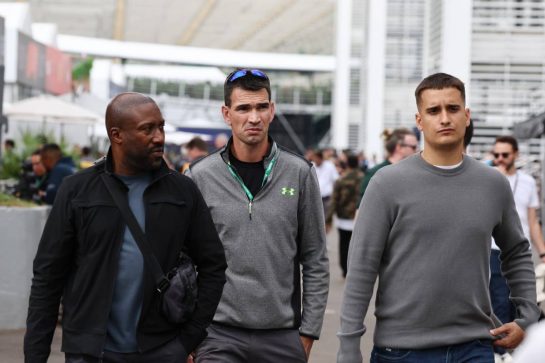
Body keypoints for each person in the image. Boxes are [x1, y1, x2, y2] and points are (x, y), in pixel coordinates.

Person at [337, 73, 540, 363]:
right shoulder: (387, 184)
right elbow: (362, 268)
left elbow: (517, 251)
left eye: (453, 109)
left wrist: (527, 316)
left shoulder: (492, 184)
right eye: (434, 111)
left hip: (474, 347)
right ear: (419, 121)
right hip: (401, 350)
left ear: (466, 116)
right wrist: (348, 345)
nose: (444, 118)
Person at [24, 92, 227, 363]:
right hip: (90, 352)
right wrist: (35, 357)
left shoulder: (182, 191)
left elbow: (214, 265)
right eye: (147, 129)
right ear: (117, 135)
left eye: (161, 127)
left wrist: (188, 339)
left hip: (161, 349)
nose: (159, 137)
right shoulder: (78, 190)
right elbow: (47, 278)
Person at [187, 69, 329, 362]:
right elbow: (185, 260)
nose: (254, 117)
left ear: (272, 110)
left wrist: (308, 331)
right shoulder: (200, 176)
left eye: (261, 107)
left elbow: (315, 258)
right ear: (226, 114)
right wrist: (189, 333)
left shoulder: (299, 173)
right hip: (217, 335)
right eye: (243, 108)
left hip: (282, 336)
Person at [489, 135, 545, 361]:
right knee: (499, 300)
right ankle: (500, 353)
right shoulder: (490, 179)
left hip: (521, 251)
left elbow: (533, 221)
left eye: (505, 155)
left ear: (516, 155)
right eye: (496, 155)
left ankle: (515, 350)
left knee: (521, 301)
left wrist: (542, 251)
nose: (500, 159)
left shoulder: (528, 182)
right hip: (493, 250)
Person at [325, 153, 364, 277]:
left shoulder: (341, 179)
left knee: (344, 244)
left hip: (343, 216)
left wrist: (328, 219)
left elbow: (334, 200)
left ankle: (344, 269)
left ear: (347, 164)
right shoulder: (364, 177)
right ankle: (356, 269)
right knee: (358, 244)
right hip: (360, 215)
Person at [359, 128, 418, 200]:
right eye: (413, 147)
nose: (417, 151)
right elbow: (362, 207)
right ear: (399, 147)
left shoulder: (412, 172)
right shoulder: (375, 173)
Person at [308, 149, 339, 216]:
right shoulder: (311, 165)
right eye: (314, 158)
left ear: (321, 158)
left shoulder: (330, 166)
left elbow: (336, 179)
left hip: (327, 197)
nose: (315, 160)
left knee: (326, 217)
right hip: (314, 197)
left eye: (317, 158)